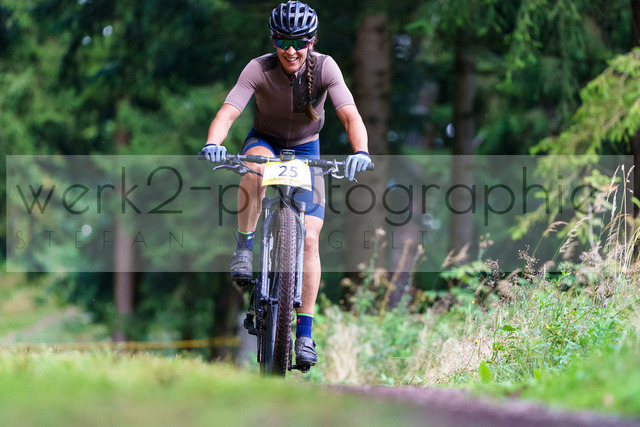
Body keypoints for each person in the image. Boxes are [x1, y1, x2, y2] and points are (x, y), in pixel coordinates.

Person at [201, 0, 370, 367]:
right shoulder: (258, 68)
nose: (291, 51)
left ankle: (304, 333)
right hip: (266, 142)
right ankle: (244, 246)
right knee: (254, 170)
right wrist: (214, 143)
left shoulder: (325, 67)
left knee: (309, 238)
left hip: (307, 150)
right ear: (273, 41)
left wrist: (361, 150)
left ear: (312, 41)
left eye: (299, 42)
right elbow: (228, 112)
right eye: (283, 42)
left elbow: (349, 114)